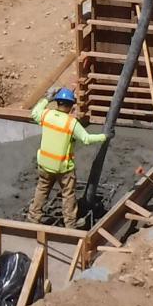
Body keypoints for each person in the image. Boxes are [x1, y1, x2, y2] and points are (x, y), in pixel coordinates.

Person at [28, 87, 106, 227]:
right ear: (71, 106)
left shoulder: (47, 115)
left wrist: (47, 98)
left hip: (45, 164)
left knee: (42, 189)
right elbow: (86, 138)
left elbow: (34, 113)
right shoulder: (71, 123)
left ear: (57, 102)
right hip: (63, 168)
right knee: (68, 194)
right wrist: (104, 136)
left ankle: (34, 217)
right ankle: (70, 223)